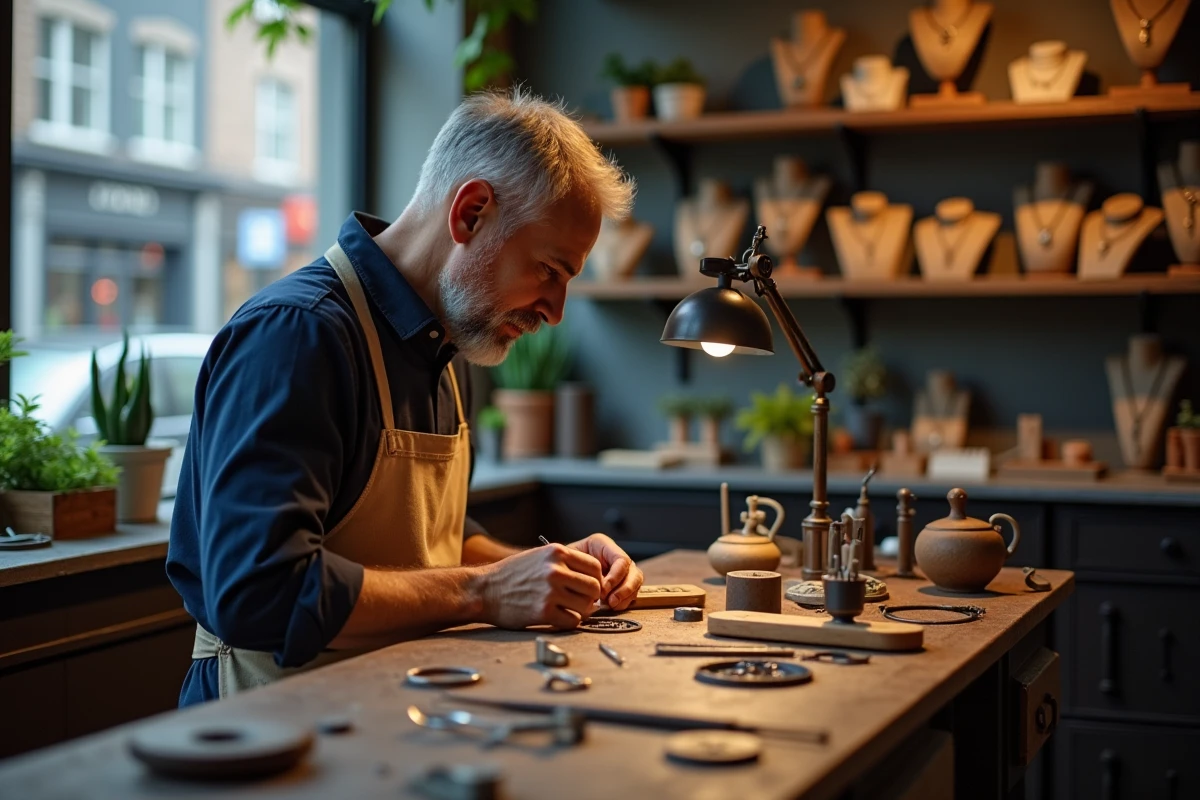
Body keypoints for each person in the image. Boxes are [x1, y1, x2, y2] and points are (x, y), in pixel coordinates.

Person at [166, 88, 643, 706]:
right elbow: (260, 593)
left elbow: (429, 541)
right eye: (550, 271)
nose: (554, 311)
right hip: (268, 726)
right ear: (471, 212)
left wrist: (553, 571)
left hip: (395, 707)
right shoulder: (297, 334)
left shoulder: (449, 346)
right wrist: (485, 592)